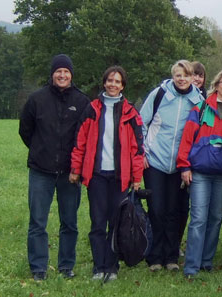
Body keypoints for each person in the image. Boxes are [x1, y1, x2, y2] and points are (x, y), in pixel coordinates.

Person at [69, 66, 144, 281]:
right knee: (98, 222)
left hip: (121, 177)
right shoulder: (91, 109)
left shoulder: (131, 112)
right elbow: (79, 142)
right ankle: (98, 266)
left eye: (118, 81)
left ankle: (112, 267)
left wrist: (136, 177)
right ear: (104, 83)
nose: (113, 84)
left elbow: (137, 148)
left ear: (123, 86)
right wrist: (75, 169)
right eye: (110, 80)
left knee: (116, 222)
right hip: (97, 175)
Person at [19, 54, 90, 281]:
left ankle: (66, 266)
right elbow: (25, 130)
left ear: (71, 74)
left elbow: (86, 135)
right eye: (58, 71)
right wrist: (41, 150)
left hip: (70, 173)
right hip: (41, 171)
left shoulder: (81, 101)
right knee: (38, 221)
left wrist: (76, 166)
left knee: (69, 221)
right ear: (52, 74)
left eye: (66, 72)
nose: (62, 75)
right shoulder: (37, 99)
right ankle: (38, 268)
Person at [139, 60, 204, 272]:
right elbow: (141, 123)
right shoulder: (159, 95)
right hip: (155, 161)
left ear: (192, 76)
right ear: (173, 76)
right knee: (156, 209)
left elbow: (200, 133)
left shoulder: (199, 100)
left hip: (181, 165)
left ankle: (172, 256)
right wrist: (142, 152)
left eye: (186, 75)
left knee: (175, 211)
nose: (182, 79)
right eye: (178, 75)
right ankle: (154, 256)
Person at [177, 69, 222, 278]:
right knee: (198, 218)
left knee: (215, 218)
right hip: (201, 173)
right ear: (217, 84)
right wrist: (184, 166)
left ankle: (206, 261)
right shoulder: (201, 108)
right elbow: (187, 137)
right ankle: (192, 266)